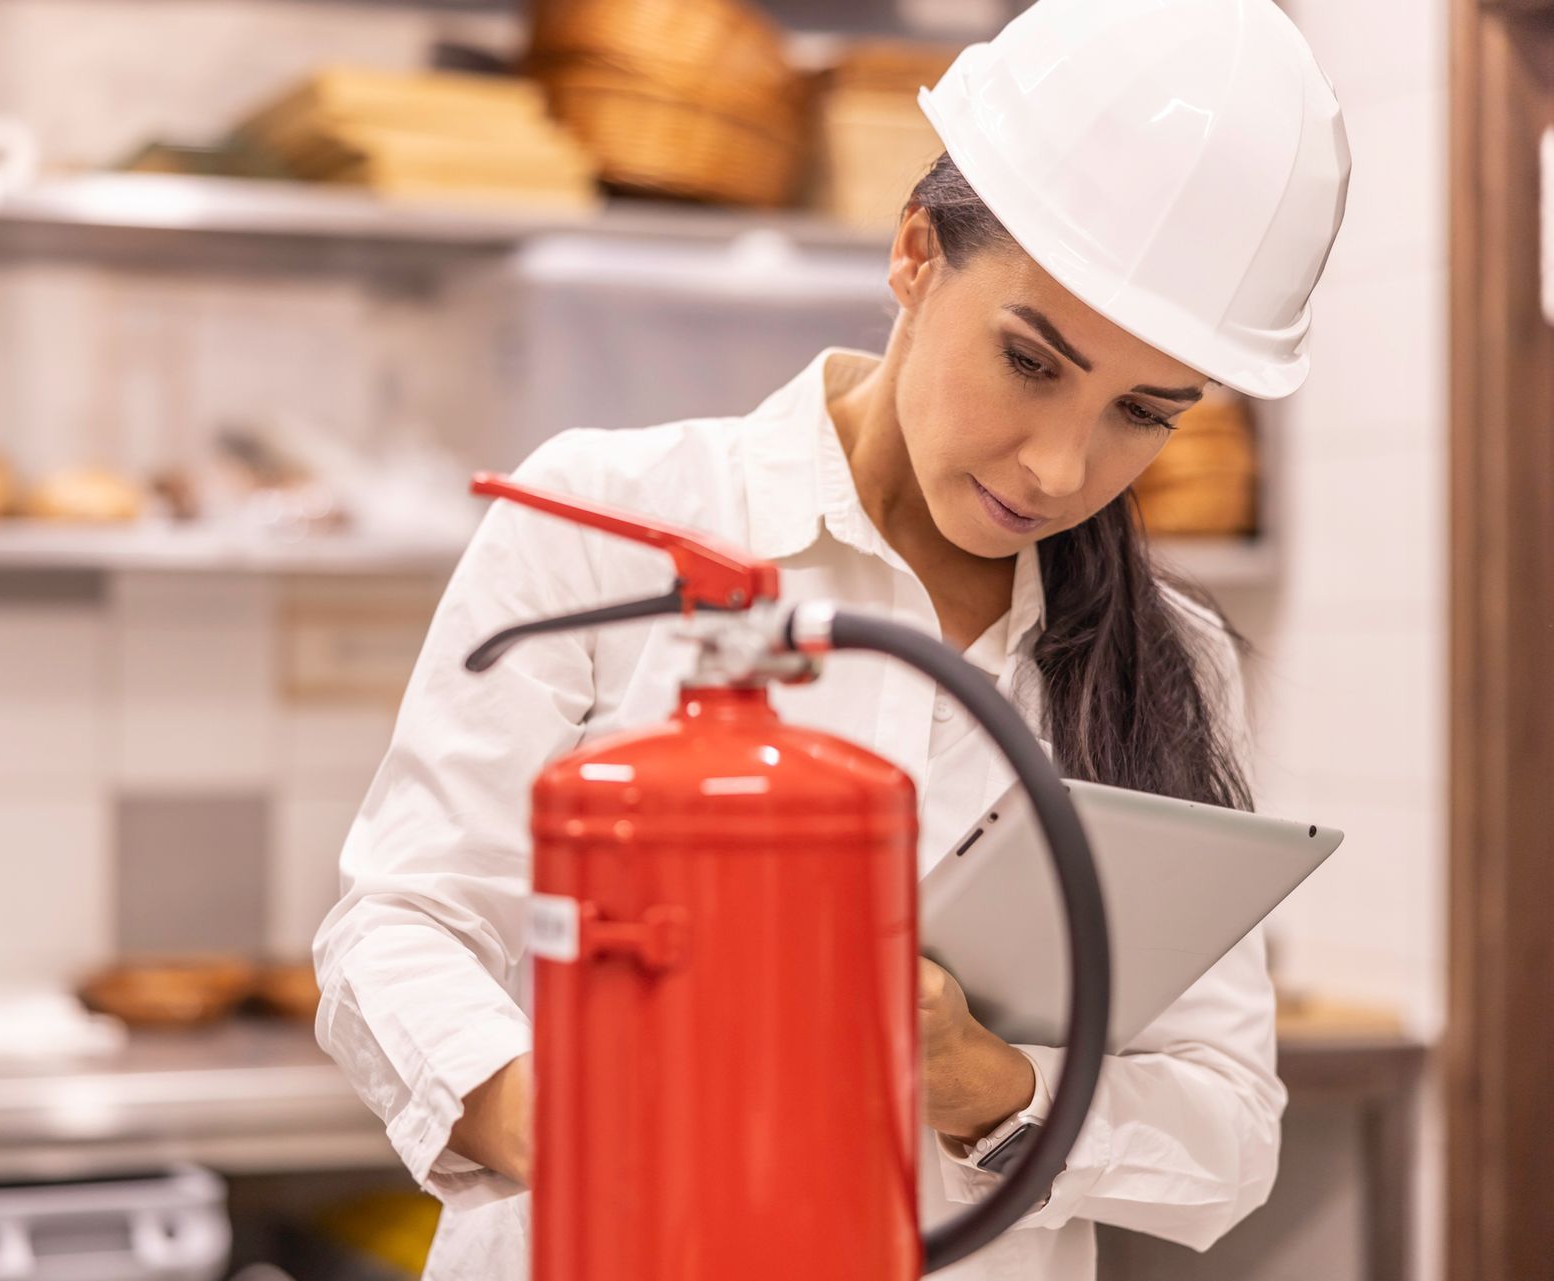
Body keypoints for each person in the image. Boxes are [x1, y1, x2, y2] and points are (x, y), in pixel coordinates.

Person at [313, 0, 1351, 1276]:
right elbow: (402, 924)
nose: (1061, 463)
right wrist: (570, 1124)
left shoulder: (1163, 663)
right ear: (916, 253)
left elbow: (1231, 1137)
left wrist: (987, 1082)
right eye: (1031, 363)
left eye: (1145, 413)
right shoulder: (614, 522)